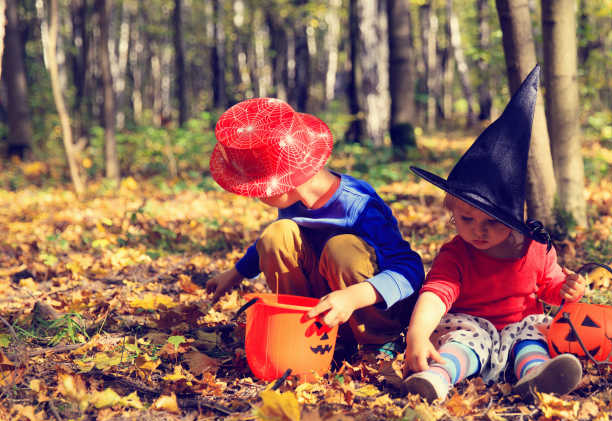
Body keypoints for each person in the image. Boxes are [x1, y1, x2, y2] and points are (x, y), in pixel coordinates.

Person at [403, 66, 586, 402]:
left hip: (519, 327)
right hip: (470, 326)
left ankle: (537, 375)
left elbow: (552, 287)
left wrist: (568, 290)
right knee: (460, 347)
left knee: (533, 340)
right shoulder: (457, 255)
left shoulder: (536, 250)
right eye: (467, 219)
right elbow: (436, 294)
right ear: (452, 213)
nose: (478, 230)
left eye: (492, 222)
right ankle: (437, 376)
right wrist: (418, 333)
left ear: (513, 220)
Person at [205, 97, 424, 356]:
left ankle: (378, 343)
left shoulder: (360, 205)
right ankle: (304, 328)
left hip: (368, 311)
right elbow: (270, 245)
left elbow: (410, 269)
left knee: (342, 248)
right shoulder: (293, 202)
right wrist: (237, 272)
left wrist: (354, 297)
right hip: (324, 310)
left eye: (255, 189)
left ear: (283, 184)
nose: (254, 196)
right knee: (277, 234)